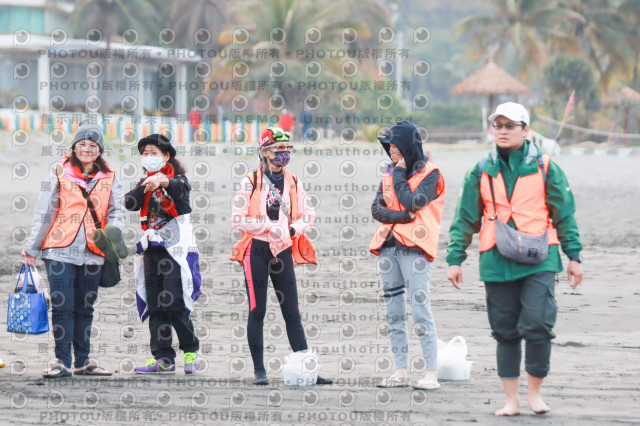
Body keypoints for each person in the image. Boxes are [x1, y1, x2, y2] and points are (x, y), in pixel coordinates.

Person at [446, 102, 584, 416]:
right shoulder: (480, 169)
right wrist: (455, 259)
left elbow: (565, 214)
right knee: (505, 331)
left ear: (526, 130)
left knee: (538, 323)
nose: (503, 131)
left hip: (540, 256)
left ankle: (535, 393)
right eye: (498, 126)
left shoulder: (546, 167)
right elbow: (464, 218)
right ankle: (511, 400)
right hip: (496, 259)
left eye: (510, 126)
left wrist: (574, 256)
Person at [22, 121, 126, 378]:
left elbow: (117, 211)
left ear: (100, 150)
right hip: (59, 250)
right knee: (62, 306)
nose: (87, 149)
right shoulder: (58, 173)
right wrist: (32, 248)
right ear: (74, 147)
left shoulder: (110, 177)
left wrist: (113, 232)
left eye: (93, 146)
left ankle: (83, 361)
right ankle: (62, 361)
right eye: (82, 144)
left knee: (85, 307)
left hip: (95, 251)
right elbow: (45, 212)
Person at [230, 126, 331, 386]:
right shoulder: (250, 181)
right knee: (257, 310)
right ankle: (259, 371)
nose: (284, 153)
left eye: (287, 149)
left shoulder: (294, 181)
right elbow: (237, 219)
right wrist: (267, 227)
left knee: (292, 311)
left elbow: (309, 215)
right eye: (278, 149)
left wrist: (292, 229)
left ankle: (307, 368)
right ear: (265, 152)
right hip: (256, 250)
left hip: (283, 249)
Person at [369, 120, 447, 390]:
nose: (391, 152)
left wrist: (400, 175)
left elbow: (413, 201)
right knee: (394, 313)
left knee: (421, 310)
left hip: (416, 249)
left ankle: (431, 373)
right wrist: (403, 217)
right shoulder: (388, 175)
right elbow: (377, 210)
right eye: (389, 147)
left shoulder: (431, 174)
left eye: (395, 147)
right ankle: (400, 371)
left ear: (408, 147)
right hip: (387, 248)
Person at [125, 133, 203, 375]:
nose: (148, 157)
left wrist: (163, 181)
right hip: (152, 251)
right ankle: (163, 357)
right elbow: (130, 203)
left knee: (174, 302)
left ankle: (191, 351)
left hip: (176, 251)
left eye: (153, 153)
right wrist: (145, 186)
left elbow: (180, 191)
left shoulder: (180, 180)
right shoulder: (145, 182)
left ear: (166, 156)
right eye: (144, 154)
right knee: (156, 304)